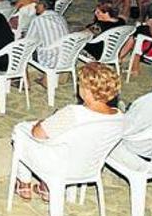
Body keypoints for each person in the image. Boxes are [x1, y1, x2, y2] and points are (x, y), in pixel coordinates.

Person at [12, 63, 123, 202]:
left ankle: (24, 184)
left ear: (87, 90)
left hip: (59, 166)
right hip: (88, 166)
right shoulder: (119, 117)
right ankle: (46, 188)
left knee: (21, 130)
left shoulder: (73, 113)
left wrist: (42, 122)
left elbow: (37, 134)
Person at [24, 0, 70, 88]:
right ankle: (53, 77)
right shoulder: (60, 17)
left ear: (43, 6)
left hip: (50, 58)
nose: (35, 6)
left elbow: (29, 41)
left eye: (38, 4)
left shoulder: (38, 19)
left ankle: (27, 83)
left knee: (24, 51)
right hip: (67, 57)